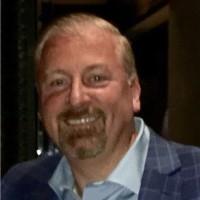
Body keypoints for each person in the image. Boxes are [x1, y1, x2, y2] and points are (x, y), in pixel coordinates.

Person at [2, 13, 200, 200]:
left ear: (134, 92)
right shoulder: (18, 186)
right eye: (58, 82)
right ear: (40, 106)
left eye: (96, 78)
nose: (77, 98)